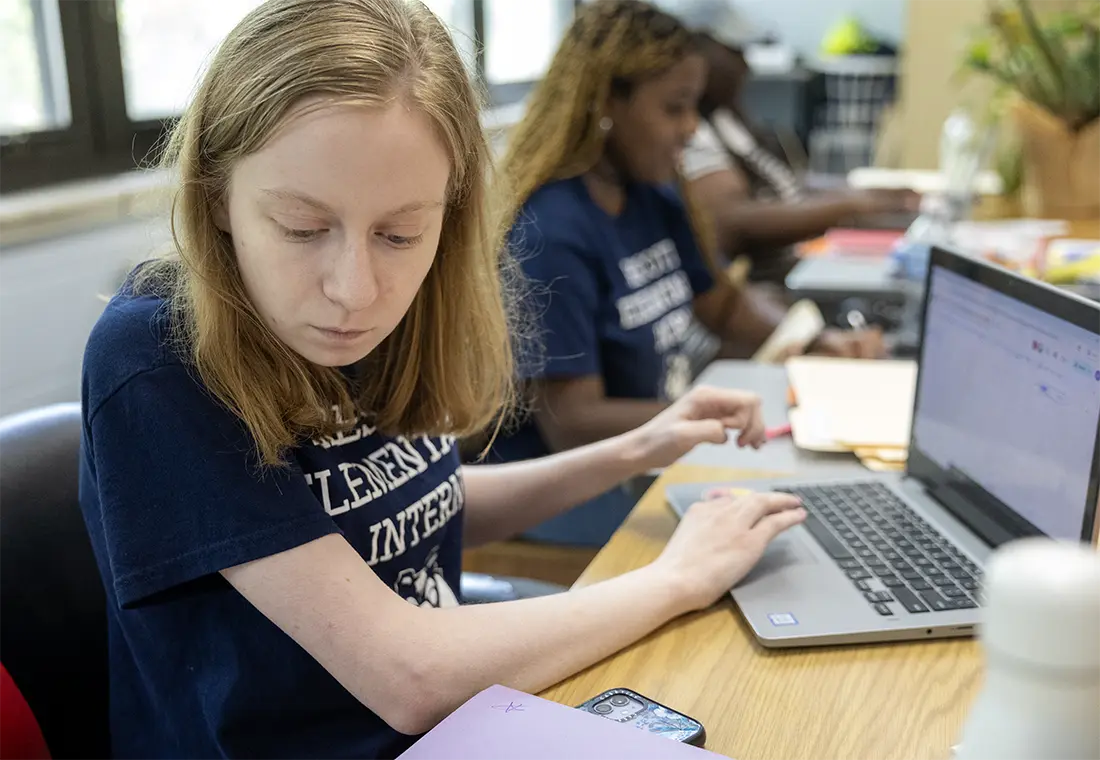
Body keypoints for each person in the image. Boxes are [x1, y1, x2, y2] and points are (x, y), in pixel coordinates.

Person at [78, 1, 807, 758]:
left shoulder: (379, 317)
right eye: (301, 228)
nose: (355, 289)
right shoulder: (159, 356)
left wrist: (632, 449)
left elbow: (412, 503)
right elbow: (411, 676)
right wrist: (680, 576)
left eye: (401, 233)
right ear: (217, 195)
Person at [487, 0, 878, 546]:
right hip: (561, 489)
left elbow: (718, 304)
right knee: (784, 531)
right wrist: (704, 416)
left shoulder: (652, 197)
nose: (691, 129)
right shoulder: (553, 232)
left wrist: (814, 343)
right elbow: (573, 422)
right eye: (674, 108)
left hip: (641, 459)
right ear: (606, 103)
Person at [675, 5, 919, 282]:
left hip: (800, 260)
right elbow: (736, 221)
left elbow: (787, 185)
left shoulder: (727, 119)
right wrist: (847, 206)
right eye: (736, 53)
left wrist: (866, 196)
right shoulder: (694, 133)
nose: (746, 64)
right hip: (771, 279)